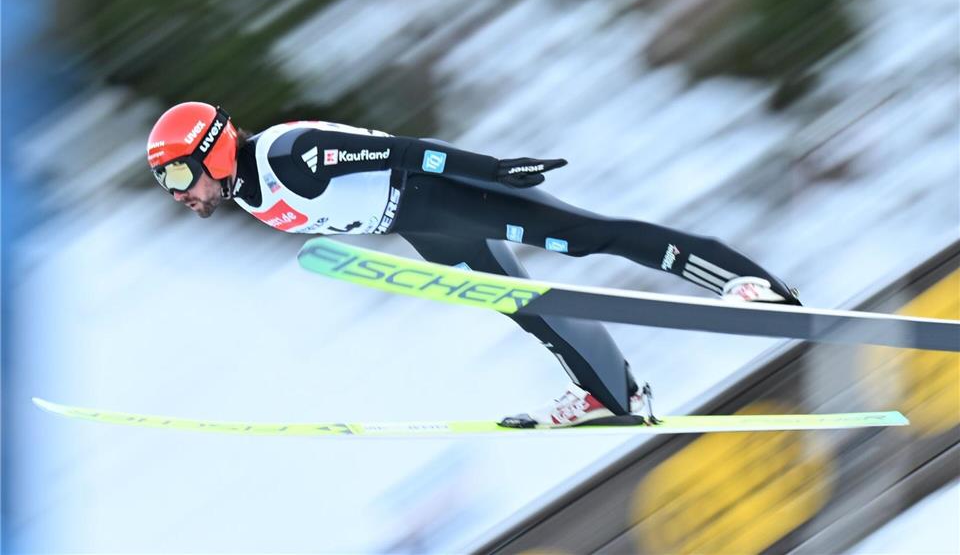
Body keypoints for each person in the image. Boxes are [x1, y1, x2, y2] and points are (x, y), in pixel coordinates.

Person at [147, 102, 801, 428]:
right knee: (525, 307)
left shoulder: (291, 157)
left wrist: (493, 171)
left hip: (447, 193)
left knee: (585, 237)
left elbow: (405, 150)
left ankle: (751, 285)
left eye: (179, 172)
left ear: (213, 150)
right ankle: (615, 394)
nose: (179, 192)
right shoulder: (252, 198)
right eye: (165, 182)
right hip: (420, 224)